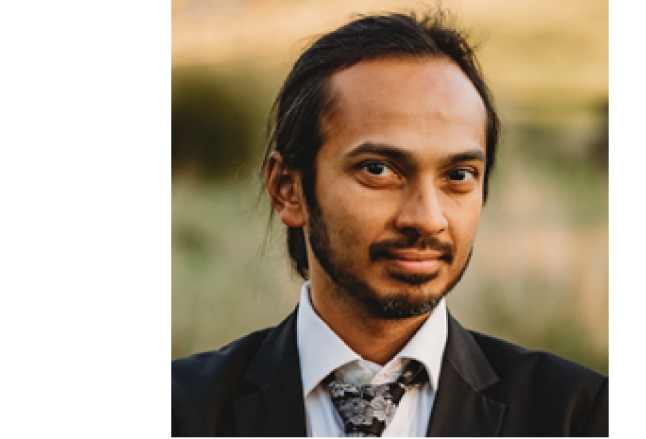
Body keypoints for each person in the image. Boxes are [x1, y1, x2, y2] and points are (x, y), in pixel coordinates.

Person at [172, 10, 608, 437]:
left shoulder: (579, 415)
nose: (427, 219)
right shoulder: (178, 411)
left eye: (457, 176)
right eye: (379, 169)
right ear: (289, 189)